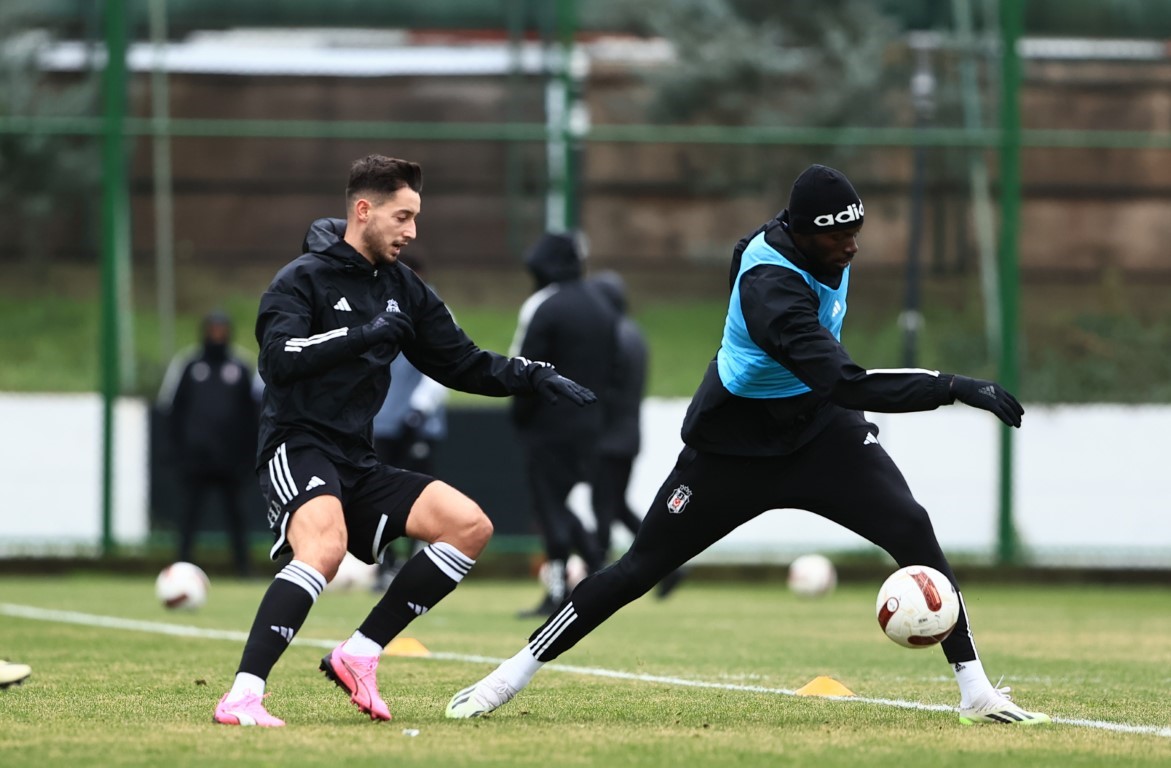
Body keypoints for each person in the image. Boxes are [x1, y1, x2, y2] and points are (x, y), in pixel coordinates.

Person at [445, 164, 1050, 727]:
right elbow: (846, 379)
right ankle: (505, 679)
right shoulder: (772, 293)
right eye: (838, 235)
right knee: (636, 570)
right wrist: (953, 387)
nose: (852, 246)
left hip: (819, 434)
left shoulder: (809, 242)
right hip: (734, 447)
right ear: (803, 232)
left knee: (913, 528)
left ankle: (977, 692)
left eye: (856, 231)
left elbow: (832, 381)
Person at [213, 154, 595, 727]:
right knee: (325, 547)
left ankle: (360, 652)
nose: (412, 231)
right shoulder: (300, 280)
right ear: (363, 210)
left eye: (416, 218)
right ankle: (242, 696)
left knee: (469, 526)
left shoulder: (403, 288)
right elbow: (278, 361)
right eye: (402, 216)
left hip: (358, 458)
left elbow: (463, 363)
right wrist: (359, 334)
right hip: (298, 445)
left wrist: (533, 375)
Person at [510, 232, 619, 617]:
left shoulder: (546, 306)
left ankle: (558, 592)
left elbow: (526, 369)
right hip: (589, 423)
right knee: (565, 504)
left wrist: (519, 416)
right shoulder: (602, 308)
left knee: (549, 507)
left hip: (547, 423)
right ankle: (597, 569)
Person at [587, 270, 686, 599]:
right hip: (628, 434)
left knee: (604, 508)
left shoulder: (608, 336)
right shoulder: (635, 334)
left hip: (608, 438)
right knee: (615, 507)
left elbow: (601, 388)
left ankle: (594, 576)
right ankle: (669, 566)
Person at [157, 310, 258, 577]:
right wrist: (176, 451)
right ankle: (181, 565)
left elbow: (255, 414)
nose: (217, 335)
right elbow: (172, 409)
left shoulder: (242, 366)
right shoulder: (188, 365)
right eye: (212, 330)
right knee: (189, 517)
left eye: (221, 330)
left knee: (237, 516)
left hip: (232, 460)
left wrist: (249, 456)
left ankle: (243, 568)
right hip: (196, 459)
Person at [371, 255, 449, 590]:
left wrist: (417, 409)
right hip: (383, 422)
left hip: (417, 424)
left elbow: (447, 363)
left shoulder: (433, 309)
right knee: (378, 496)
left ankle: (420, 566)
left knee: (422, 495)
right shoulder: (379, 305)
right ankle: (385, 564)